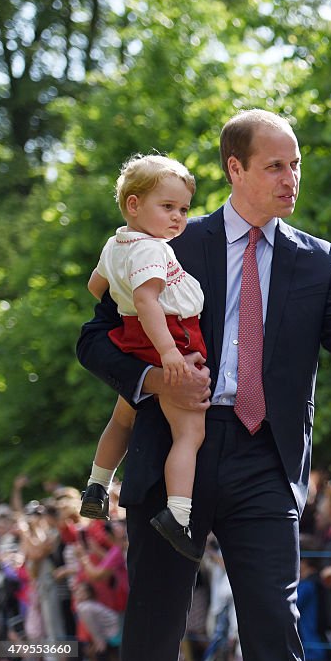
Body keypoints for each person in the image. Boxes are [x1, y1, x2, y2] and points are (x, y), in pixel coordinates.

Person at [76, 108, 331, 661]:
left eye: (297, 165)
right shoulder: (173, 242)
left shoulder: (317, 260)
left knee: (275, 634)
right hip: (172, 451)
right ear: (235, 169)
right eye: (276, 166)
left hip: (267, 458)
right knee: (153, 632)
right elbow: (94, 339)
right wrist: (156, 379)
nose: (292, 179)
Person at [79, 154, 206, 563]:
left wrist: (123, 300)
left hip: (132, 339)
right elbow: (146, 299)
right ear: (134, 205)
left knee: (123, 417)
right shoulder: (152, 249)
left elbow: (94, 285)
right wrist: (169, 352)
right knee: (189, 431)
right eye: (167, 207)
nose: (178, 218)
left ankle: (98, 484)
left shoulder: (117, 243)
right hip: (169, 339)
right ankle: (179, 514)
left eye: (183, 209)